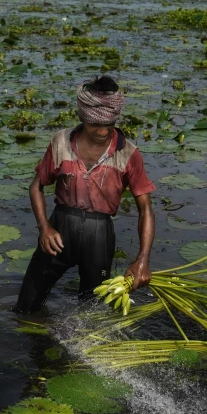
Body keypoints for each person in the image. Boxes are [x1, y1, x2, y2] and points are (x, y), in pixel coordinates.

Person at [13, 75, 156, 314]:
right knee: (26, 306)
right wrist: (44, 228)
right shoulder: (61, 143)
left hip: (98, 236)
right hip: (59, 230)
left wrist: (143, 259)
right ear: (82, 117)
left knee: (92, 312)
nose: (102, 132)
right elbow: (36, 186)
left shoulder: (128, 154)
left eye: (108, 125)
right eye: (94, 125)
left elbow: (146, 210)